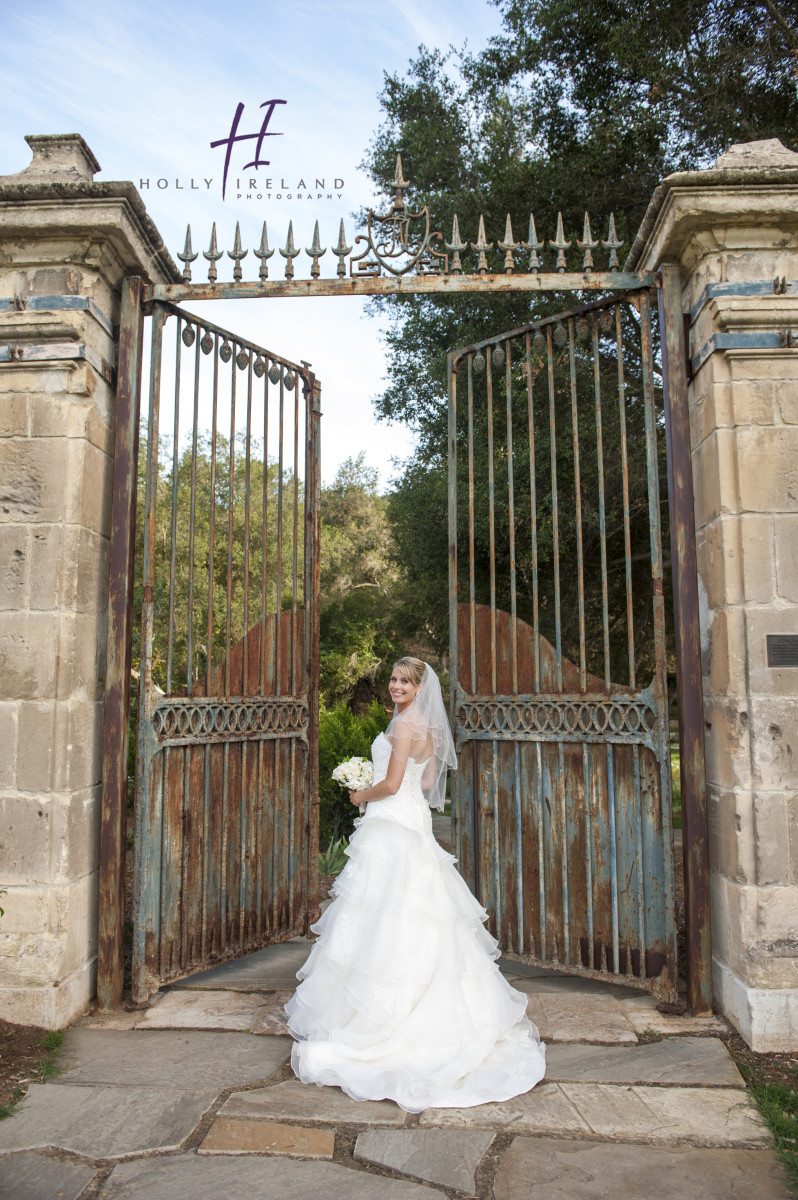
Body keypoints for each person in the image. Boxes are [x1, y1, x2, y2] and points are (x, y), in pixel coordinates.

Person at [285, 657, 546, 1112]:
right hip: (412, 821)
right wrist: (393, 789)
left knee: (387, 909)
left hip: (391, 824)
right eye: (392, 679)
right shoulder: (425, 726)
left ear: (420, 687)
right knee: (414, 909)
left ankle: (383, 1015)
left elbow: (390, 783)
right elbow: (425, 780)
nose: (395, 686)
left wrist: (359, 794)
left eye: (405, 681)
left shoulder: (405, 726)